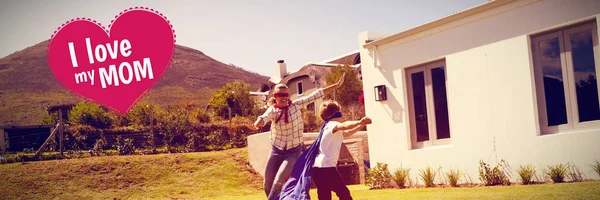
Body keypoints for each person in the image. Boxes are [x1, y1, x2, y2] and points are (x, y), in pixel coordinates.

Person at [248, 74, 345, 200]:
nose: (283, 98)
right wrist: (256, 125)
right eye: (279, 95)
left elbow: (316, 94)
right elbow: (263, 117)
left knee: (278, 181)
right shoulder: (272, 110)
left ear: (288, 96)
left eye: (285, 95)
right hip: (276, 150)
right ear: (275, 97)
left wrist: (335, 86)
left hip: (293, 151)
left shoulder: (296, 105)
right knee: (267, 184)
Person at [312, 100, 371, 200]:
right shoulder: (331, 124)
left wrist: (362, 125)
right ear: (336, 114)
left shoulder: (328, 129)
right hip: (326, 167)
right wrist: (359, 121)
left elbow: (348, 133)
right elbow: (344, 125)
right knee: (344, 194)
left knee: (324, 195)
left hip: (318, 168)